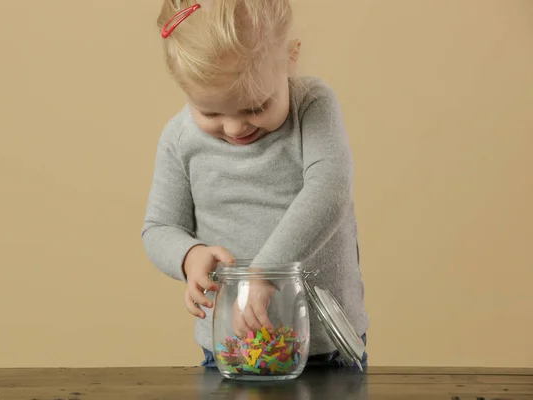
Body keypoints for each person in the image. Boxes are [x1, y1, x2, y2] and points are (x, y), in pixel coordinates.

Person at [142, 0, 369, 368]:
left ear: (291, 58)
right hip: (231, 346)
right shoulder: (178, 140)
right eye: (211, 112)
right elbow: (159, 228)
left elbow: (329, 189)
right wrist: (188, 256)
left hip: (326, 343)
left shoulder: (312, 106)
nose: (235, 128)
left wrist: (267, 274)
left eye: (256, 106)